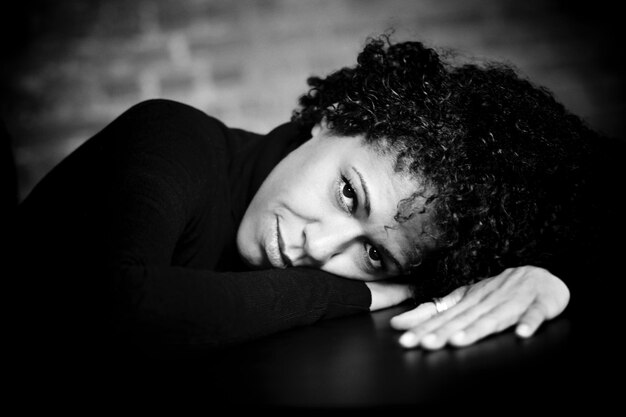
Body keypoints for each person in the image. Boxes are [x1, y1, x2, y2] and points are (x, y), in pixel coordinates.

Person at [9, 35, 622, 355]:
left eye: (373, 254)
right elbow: (115, 311)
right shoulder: (171, 136)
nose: (318, 246)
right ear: (336, 115)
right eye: (348, 195)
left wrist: (553, 277)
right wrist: (359, 290)